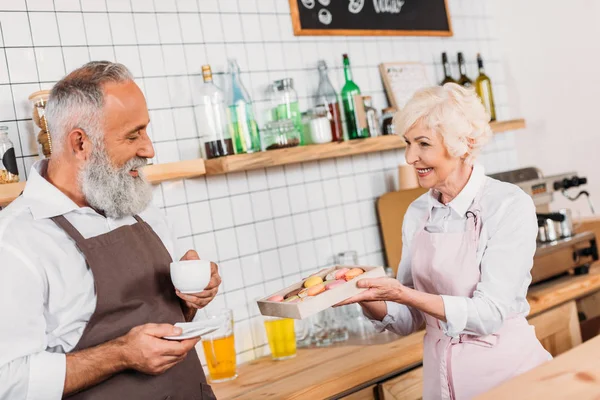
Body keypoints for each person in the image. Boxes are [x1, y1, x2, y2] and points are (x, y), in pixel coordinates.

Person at [0, 62, 220, 399]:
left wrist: (191, 300)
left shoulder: (138, 203)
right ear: (80, 144)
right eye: (134, 135)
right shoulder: (17, 240)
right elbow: (9, 382)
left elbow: (167, 318)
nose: (149, 149)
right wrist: (120, 354)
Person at [339, 83, 551, 399]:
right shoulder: (418, 212)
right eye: (407, 143)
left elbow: (489, 313)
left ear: (463, 144)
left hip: (510, 381)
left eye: (423, 143)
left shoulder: (508, 204)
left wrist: (403, 293)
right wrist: (365, 293)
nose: (410, 156)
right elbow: (408, 317)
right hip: (441, 386)